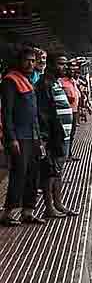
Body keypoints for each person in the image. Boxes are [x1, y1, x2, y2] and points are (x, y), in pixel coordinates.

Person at [1, 48, 44, 225]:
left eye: (33, 61)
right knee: (19, 174)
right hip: (19, 136)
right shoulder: (10, 81)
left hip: (32, 136)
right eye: (27, 60)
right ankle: (8, 213)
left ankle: (28, 211)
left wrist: (39, 138)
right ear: (19, 61)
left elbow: (33, 113)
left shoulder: (28, 81)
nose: (30, 64)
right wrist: (11, 138)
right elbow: (7, 113)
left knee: (33, 174)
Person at [35, 55, 77, 218]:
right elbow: (44, 113)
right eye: (60, 64)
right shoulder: (44, 84)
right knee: (50, 171)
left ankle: (58, 204)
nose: (64, 67)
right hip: (54, 136)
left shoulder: (55, 82)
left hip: (62, 135)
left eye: (66, 64)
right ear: (51, 65)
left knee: (58, 170)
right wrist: (46, 137)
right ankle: (49, 207)